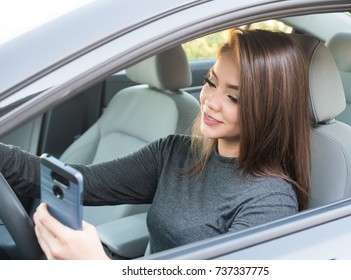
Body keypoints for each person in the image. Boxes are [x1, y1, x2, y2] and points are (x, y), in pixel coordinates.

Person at [0, 28, 311, 260]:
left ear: (268, 108)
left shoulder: (270, 201)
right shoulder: (175, 153)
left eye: (233, 97)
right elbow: (88, 182)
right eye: (211, 82)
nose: (210, 102)